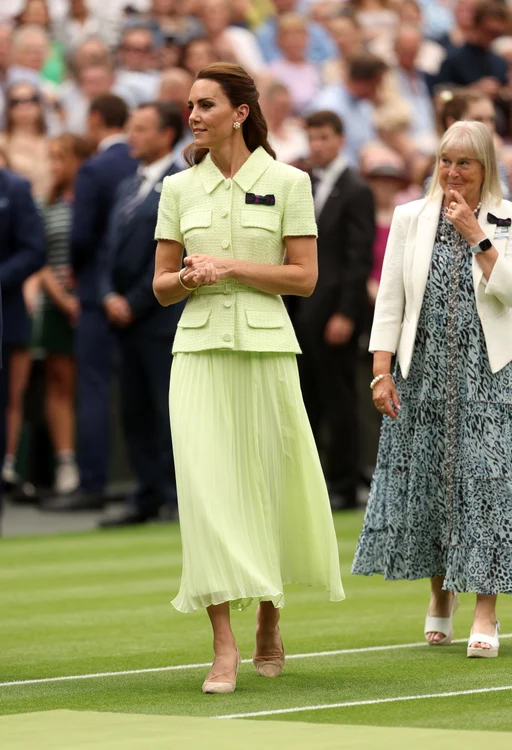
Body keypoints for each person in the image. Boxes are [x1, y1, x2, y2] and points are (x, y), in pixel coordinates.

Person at [153, 62, 344, 693]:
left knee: (268, 485)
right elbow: (160, 287)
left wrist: (229, 266)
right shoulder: (178, 190)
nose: (193, 116)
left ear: (239, 112)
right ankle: (223, 647)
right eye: (189, 106)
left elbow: (305, 278)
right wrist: (186, 278)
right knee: (207, 497)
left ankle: (269, 613)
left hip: (267, 352)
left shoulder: (289, 182)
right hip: (200, 354)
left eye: (205, 104)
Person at [352, 121, 512, 659]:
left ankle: (486, 611)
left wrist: (476, 234)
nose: (452, 172)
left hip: (489, 379)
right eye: (446, 161)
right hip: (419, 375)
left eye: (465, 163)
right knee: (432, 487)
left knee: (486, 492)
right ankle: (440, 596)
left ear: (485, 168)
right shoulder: (408, 217)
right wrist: (380, 371)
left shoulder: (507, 217)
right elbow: (390, 301)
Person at [48, 94, 137, 512]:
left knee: (95, 390)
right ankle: (152, 485)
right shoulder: (141, 163)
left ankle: (93, 484)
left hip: (95, 294)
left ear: (96, 118)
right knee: (146, 393)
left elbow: (81, 237)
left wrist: (78, 276)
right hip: (143, 293)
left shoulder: (95, 168)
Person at [98, 102, 185, 528]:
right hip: (123, 320)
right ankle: (146, 492)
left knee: (169, 412)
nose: (132, 136)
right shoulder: (126, 185)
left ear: (166, 135)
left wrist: (133, 301)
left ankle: (175, 495)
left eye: (142, 128)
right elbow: (106, 248)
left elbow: (169, 254)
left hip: (160, 317)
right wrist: (107, 294)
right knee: (134, 412)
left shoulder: (181, 184)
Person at [293, 110, 374, 510]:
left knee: (340, 398)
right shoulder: (303, 184)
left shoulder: (356, 188)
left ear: (340, 139)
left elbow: (357, 259)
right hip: (304, 312)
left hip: (336, 314)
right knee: (309, 398)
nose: (317, 145)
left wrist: (346, 313)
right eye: (312, 137)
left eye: (324, 137)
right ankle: (321, 481)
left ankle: (345, 483)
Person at [40, 133, 93, 496]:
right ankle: (66, 462)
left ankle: (92, 462)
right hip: (58, 307)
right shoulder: (48, 205)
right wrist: (63, 300)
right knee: (59, 383)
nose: (55, 166)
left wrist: (83, 299)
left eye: (62, 158)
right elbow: (40, 260)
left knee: (88, 386)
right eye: (52, 158)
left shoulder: (92, 201)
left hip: (91, 304)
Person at [0, 168, 45, 502]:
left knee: (7, 397)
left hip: (6, 311)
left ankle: (7, 468)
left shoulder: (15, 188)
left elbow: (33, 250)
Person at [308, 53, 387, 168]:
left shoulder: (364, 105)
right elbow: (326, 155)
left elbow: (368, 145)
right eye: (376, 85)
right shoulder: (329, 106)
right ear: (363, 82)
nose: (378, 90)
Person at [436, 1, 508, 96]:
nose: (492, 38)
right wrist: (472, 91)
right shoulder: (453, 59)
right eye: (489, 32)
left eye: (497, 34)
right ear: (476, 25)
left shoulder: (500, 63)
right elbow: (441, 95)